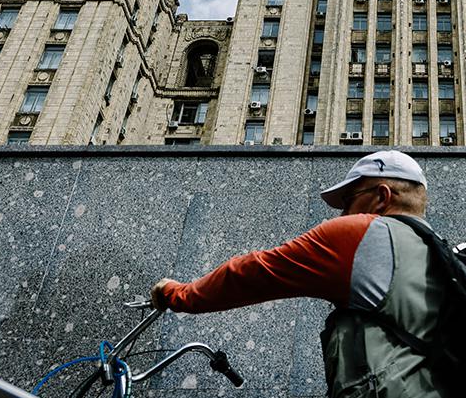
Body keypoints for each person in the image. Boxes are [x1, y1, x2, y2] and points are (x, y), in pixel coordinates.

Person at [150, 150, 450, 397]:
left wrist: (176, 294)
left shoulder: (362, 234)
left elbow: (251, 273)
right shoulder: (445, 254)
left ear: (382, 197)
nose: (343, 214)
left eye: (349, 201)